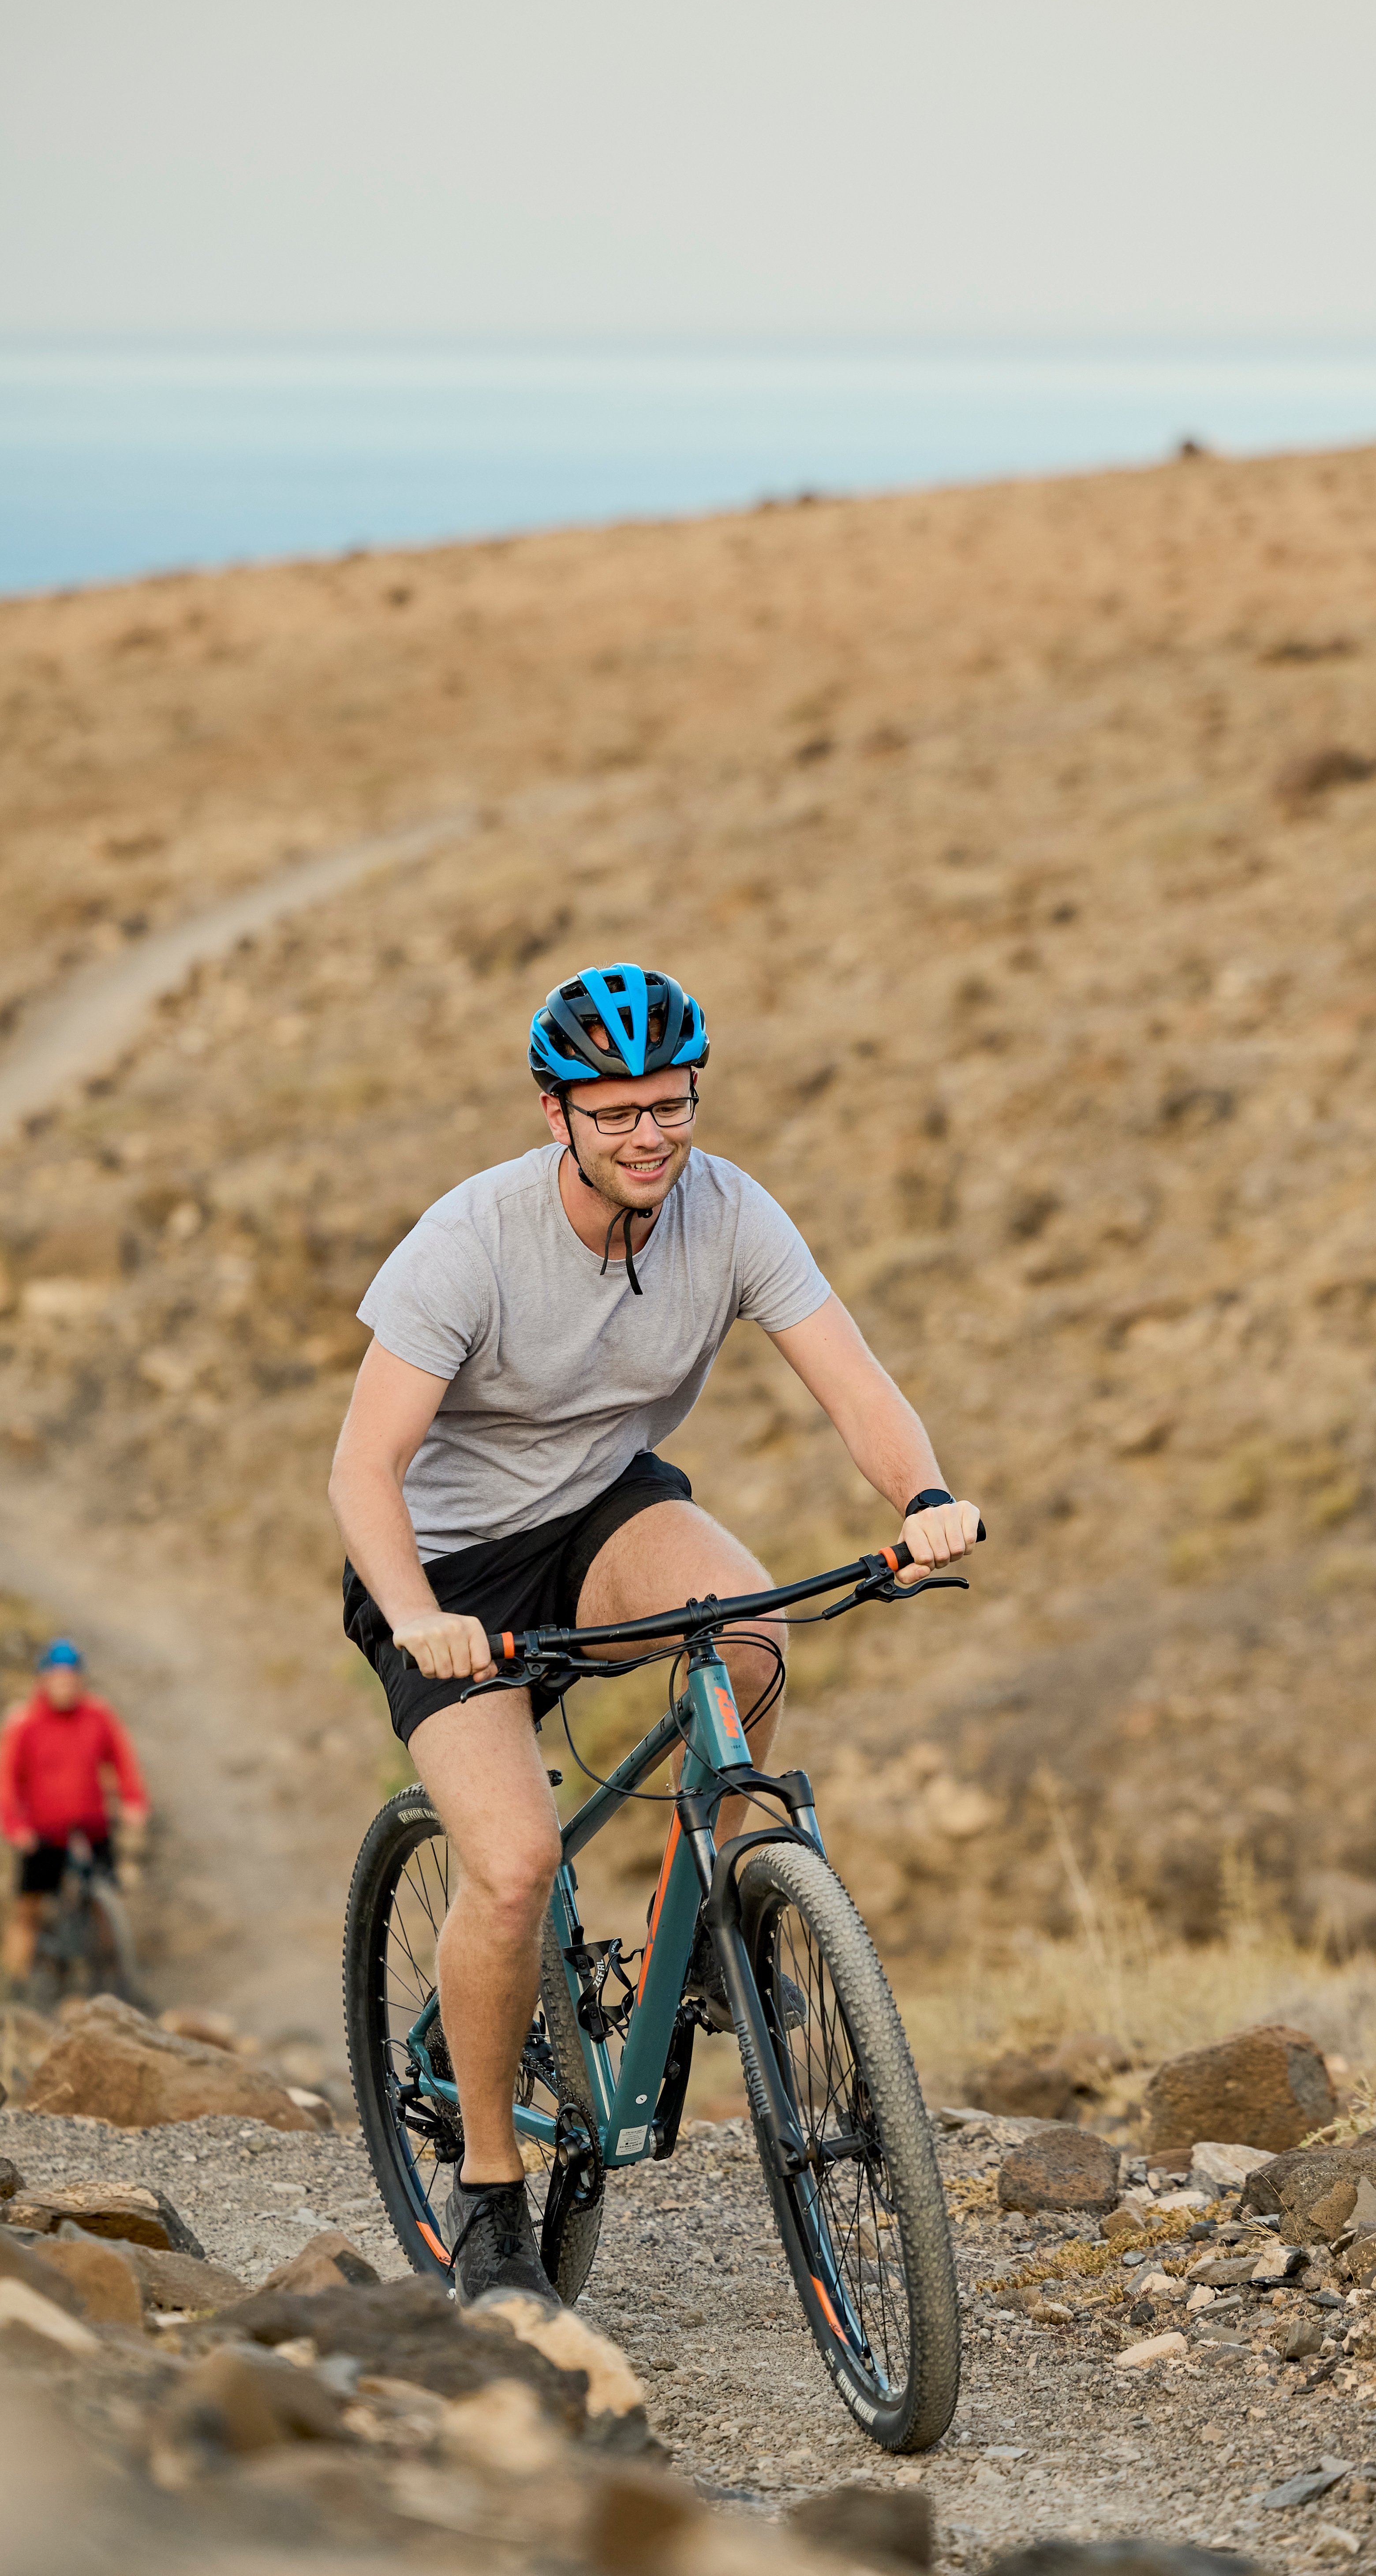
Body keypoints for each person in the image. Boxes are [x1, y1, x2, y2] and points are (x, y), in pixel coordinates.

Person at [330, 962, 980, 2308]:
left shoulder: (728, 1210)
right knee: (512, 1865)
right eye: (616, 1110)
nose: (649, 1135)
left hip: (601, 1506)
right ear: (557, 1113)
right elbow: (362, 1468)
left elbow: (852, 1377)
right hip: (447, 1565)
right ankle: (491, 2189)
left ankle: (713, 1932)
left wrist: (921, 1495)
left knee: (751, 1635)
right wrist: (419, 1616)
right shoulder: (470, 1241)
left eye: (670, 1104)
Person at [0, 1641, 150, 1991]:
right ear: (44, 1681)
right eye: (58, 1679)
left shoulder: (98, 1714)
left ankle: (117, 1977)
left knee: (106, 1897)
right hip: (43, 1830)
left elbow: (123, 1760)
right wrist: (15, 1826)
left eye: (71, 1679)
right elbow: (6, 1780)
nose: (65, 1687)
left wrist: (133, 1801)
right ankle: (14, 1985)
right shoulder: (25, 1723)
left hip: (92, 1823)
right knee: (29, 1909)